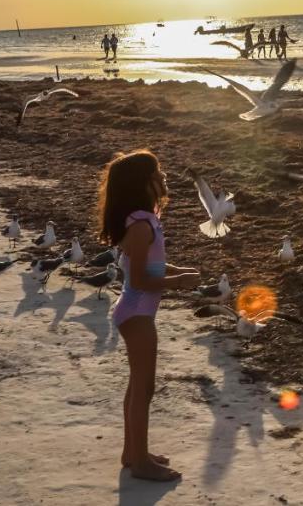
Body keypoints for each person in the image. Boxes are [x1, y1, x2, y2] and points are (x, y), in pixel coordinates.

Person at [101, 150, 199, 482]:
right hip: (137, 313)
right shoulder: (142, 225)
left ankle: (133, 452)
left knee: (140, 386)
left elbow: (150, 265)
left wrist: (177, 269)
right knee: (143, 388)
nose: (165, 176)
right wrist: (179, 282)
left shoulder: (145, 219)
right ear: (144, 184)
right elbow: (141, 279)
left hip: (137, 311)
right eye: (158, 172)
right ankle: (140, 463)